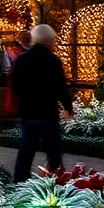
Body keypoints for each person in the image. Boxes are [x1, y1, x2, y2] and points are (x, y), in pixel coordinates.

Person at [10, 24, 73, 182]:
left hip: (27, 112)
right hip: (46, 112)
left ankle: (19, 181)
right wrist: (68, 105)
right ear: (49, 41)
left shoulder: (22, 59)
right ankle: (56, 181)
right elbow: (60, 86)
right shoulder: (52, 60)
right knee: (53, 150)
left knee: (26, 149)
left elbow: (15, 85)